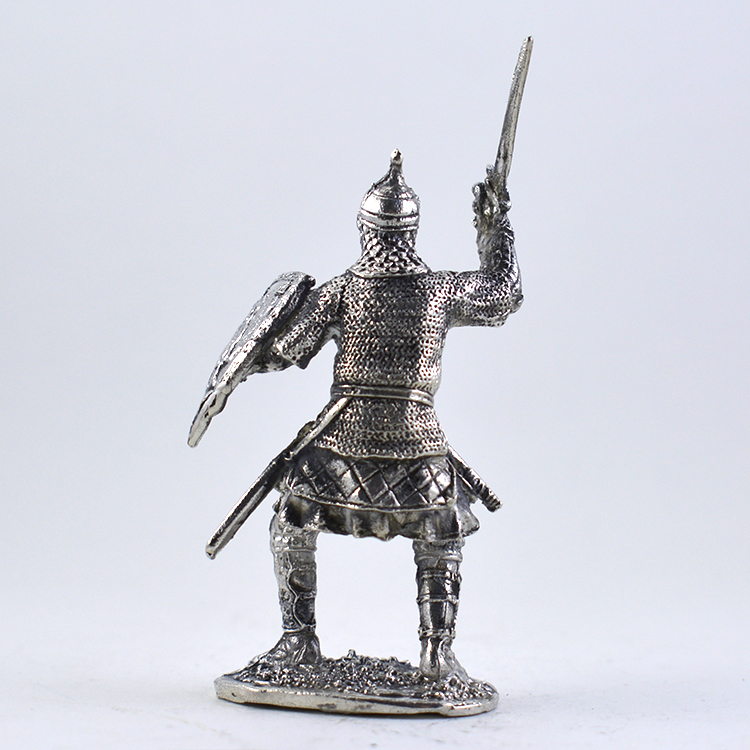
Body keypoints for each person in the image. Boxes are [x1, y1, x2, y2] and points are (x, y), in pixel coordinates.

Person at [248, 149, 522, 681]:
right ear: (411, 232)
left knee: (291, 522)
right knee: (440, 536)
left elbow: (284, 350)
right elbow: (503, 293)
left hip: (340, 444)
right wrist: (496, 230)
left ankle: (299, 641)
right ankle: (437, 652)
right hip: (417, 447)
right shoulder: (441, 290)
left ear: (365, 229)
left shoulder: (340, 291)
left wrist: (274, 325)